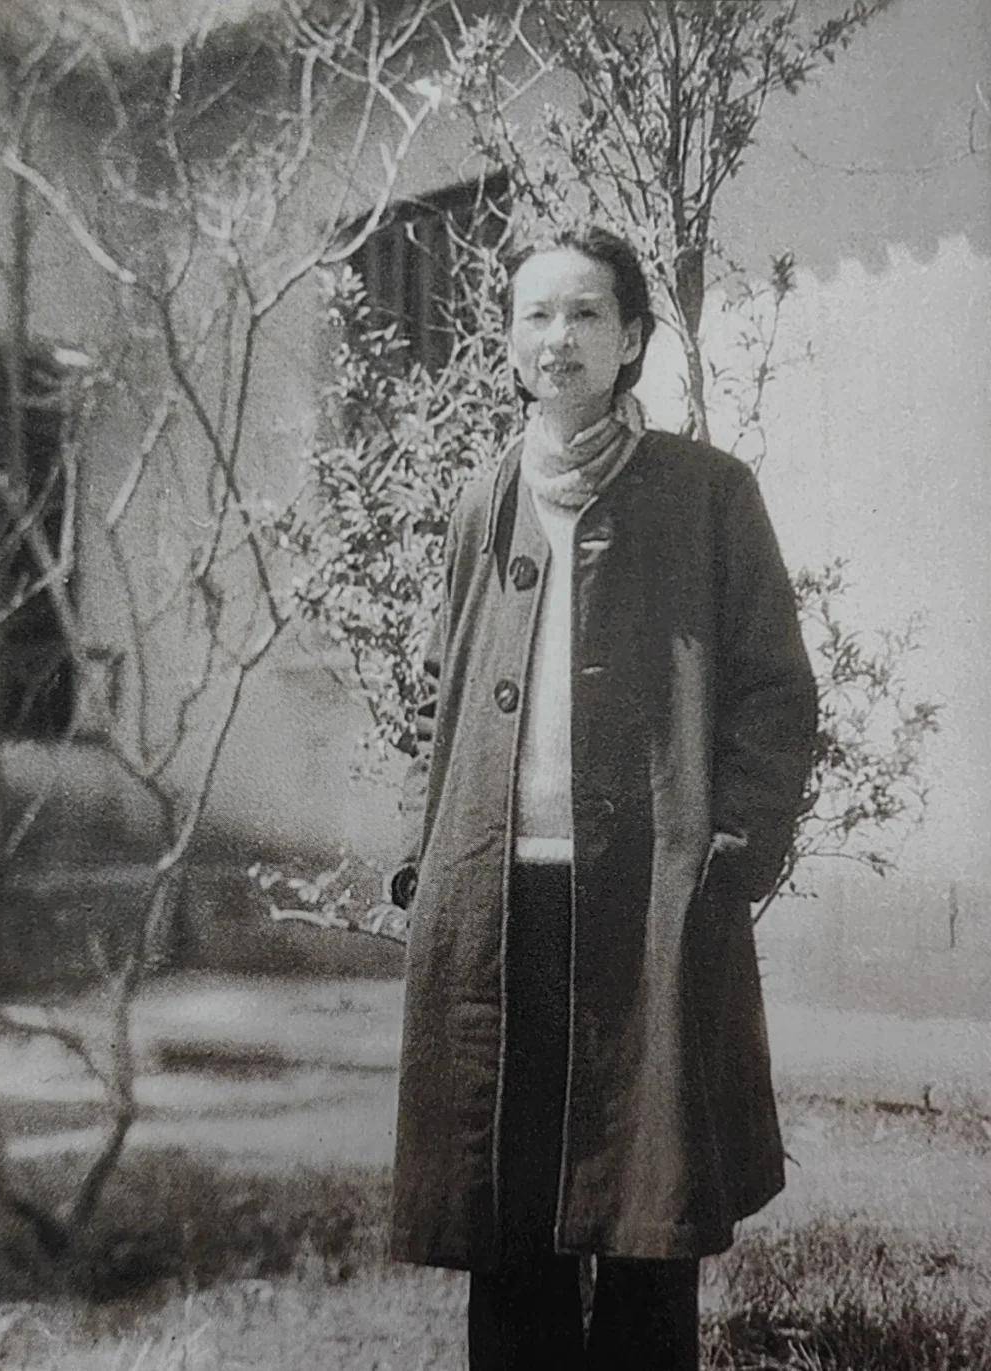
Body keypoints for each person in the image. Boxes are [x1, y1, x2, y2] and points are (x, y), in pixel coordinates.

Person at [387, 224, 818, 1370]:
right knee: (507, 1220)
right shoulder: (485, 498)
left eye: (586, 313)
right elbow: (442, 689)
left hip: (646, 905)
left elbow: (776, 691)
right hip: (501, 907)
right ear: (508, 342)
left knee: (645, 1219)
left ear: (631, 338)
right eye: (535, 315)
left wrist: (733, 847)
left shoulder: (708, 494)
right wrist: (432, 854)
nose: (558, 337)